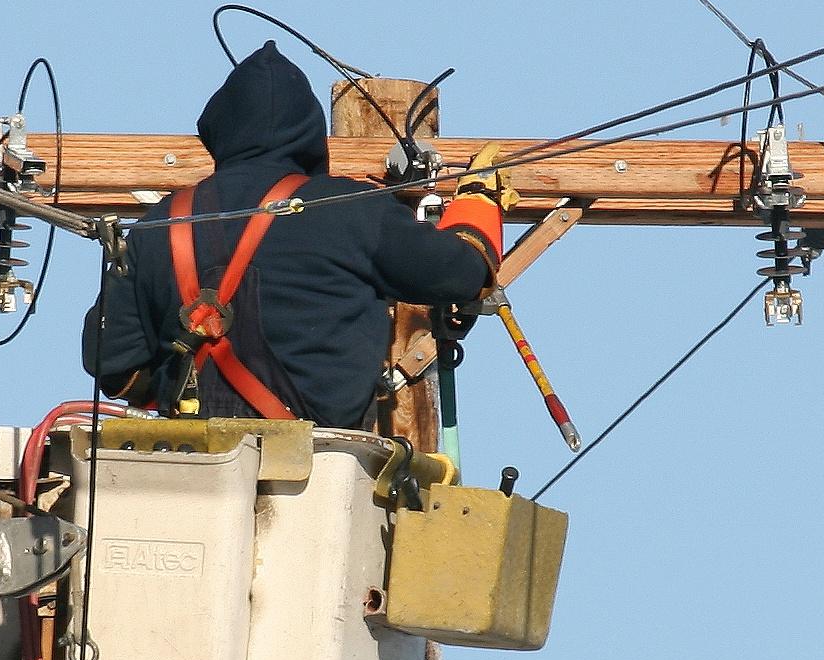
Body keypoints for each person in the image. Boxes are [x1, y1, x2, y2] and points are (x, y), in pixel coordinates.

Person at [81, 41, 508, 429]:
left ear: (218, 133)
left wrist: (187, 388)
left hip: (193, 477)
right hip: (318, 479)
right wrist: (477, 199)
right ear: (309, 134)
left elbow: (113, 364)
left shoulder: (157, 225)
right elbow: (464, 273)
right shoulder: (347, 207)